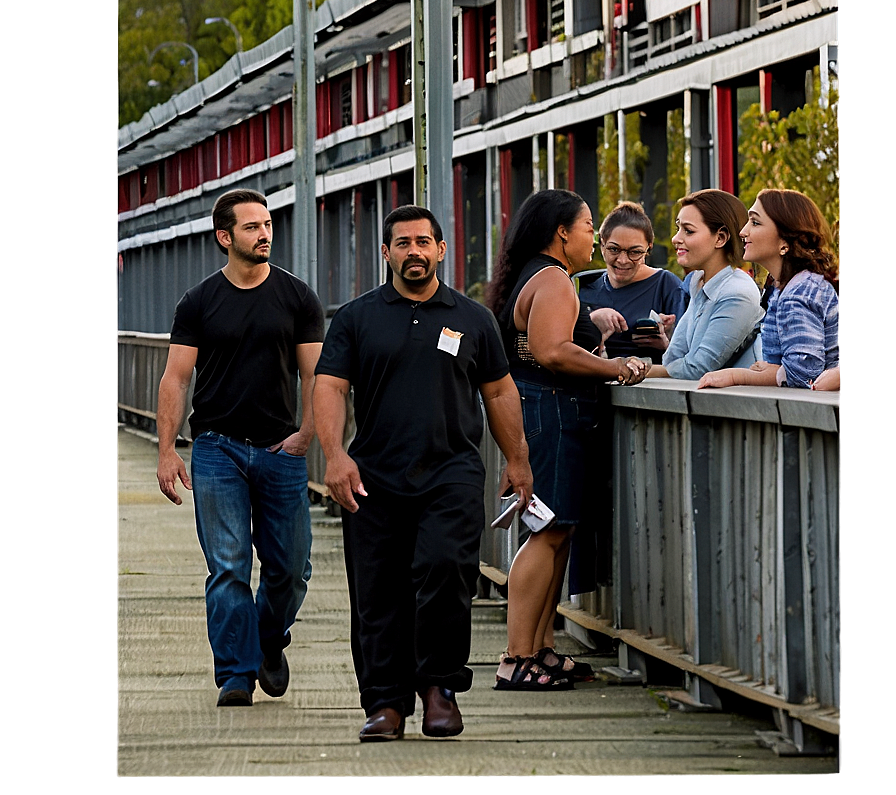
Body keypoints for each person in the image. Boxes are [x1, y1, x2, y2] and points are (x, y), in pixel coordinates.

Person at [312, 205, 533, 742]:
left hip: (451, 471)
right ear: (386, 253)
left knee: (445, 570)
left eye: (423, 242)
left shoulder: (472, 318)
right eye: (402, 243)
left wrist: (518, 458)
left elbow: (500, 391)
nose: (414, 251)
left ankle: (439, 689)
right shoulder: (357, 318)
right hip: (374, 475)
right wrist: (335, 456)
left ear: (440, 250)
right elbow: (329, 387)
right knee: (377, 590)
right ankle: (385, 703)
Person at [156, 188, 324, 707]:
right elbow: (176, 378)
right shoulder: (199, 302)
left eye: (268, 224)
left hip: (281, 450)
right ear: (224, 237)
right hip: (217, 449)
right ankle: (235, 672)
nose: (265, 234)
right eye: (252, 227)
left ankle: (269, 640)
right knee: (228, 565)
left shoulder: (297, 298)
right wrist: (167, 449)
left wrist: (308, 435)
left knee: (291, 569)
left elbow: (318, 374)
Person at [486, 189, 649, 692]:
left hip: (546, 407)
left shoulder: (534, 275)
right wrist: (614, 366)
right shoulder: (554, 278)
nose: (592, 238)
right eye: (587, 227)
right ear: (562, 232)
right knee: (548, 531)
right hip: (552, 407)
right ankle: (516, 658)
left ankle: (541, 649)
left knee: (557, 530)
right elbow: (551, 351)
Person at [697, 188, 839, 390]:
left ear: (785, 241)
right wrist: (773, 369)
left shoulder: (800, 292)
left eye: (755, 222)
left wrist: (736, 375)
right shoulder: (784, 288)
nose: (743, 231)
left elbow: (804, 375)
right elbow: (783, 367)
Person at [646, 189, 764, 379]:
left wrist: (637, 370)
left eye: (688, 231)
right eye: (678, 228)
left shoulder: (737, 292)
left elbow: (698, 368)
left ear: (720, 238)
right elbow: (673, 358)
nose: (676, 239)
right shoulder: (699, 283)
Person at [577, 201, 688, 364]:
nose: (622, 260)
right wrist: (591, 320)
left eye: (634, 252)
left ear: (648, 249)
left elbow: (690, 359)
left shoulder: (666, 285)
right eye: (614, 249)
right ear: (602, 244)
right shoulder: (583, 285)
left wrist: (666, 344)